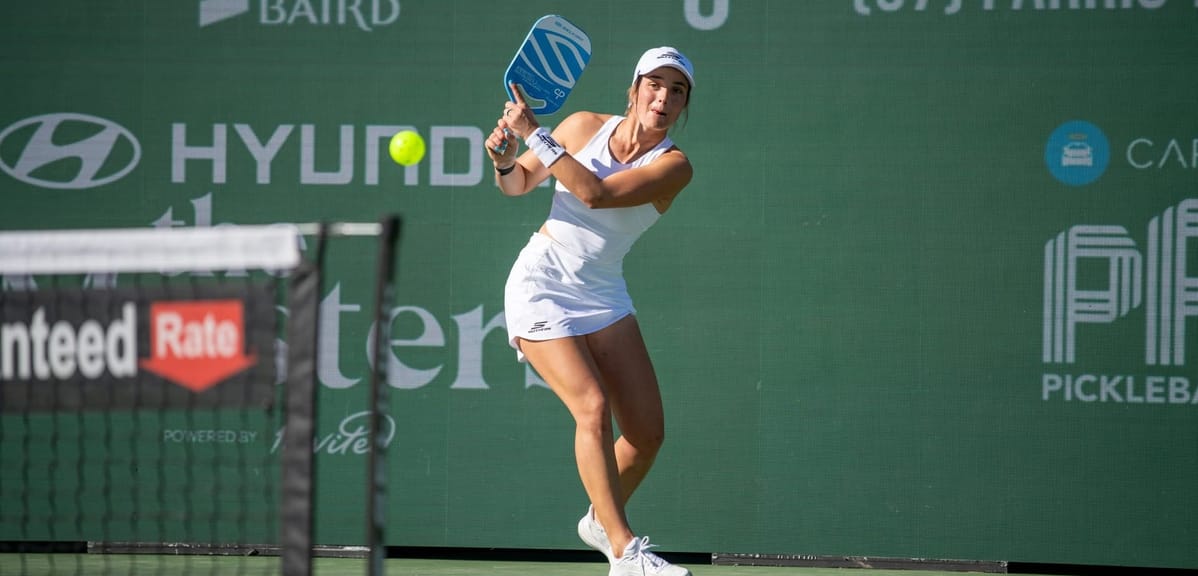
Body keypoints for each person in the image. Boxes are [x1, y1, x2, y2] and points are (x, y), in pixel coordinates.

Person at [484, 46, 696, 576]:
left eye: (677, 90)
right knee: (593, 408)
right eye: (654, 84)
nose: (663, 97)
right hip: (542, 282)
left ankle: (600, 521)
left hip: (603, 291)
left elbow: (596, 194)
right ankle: (624, 553)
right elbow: (516, 185)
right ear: (634, 87)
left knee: (647, 433)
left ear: (684, 104)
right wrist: (505, 157)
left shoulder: (674, 166)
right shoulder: (580, 126)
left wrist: (535, 134)